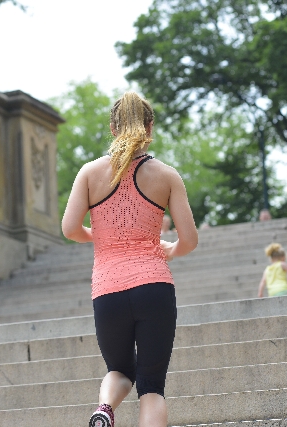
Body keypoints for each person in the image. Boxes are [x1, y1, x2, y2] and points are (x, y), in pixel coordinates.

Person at [61, 92, 198, 427]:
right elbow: (190, 239)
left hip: (108, 291)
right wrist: (170, 249)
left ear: (112, 127)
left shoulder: (90, 173)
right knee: (151, 388)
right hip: (154, 287)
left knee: (119, 370)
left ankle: (105, 409)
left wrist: (102, 237)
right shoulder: (166, 176)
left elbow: (69, 229)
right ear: (150, 128)